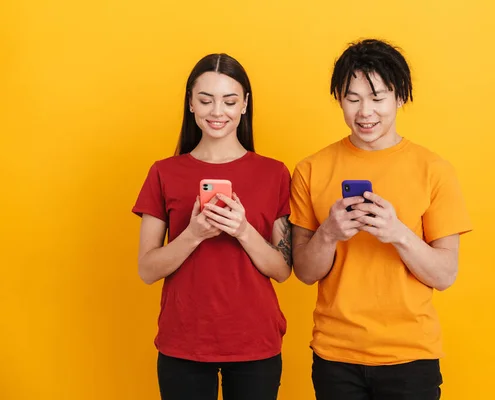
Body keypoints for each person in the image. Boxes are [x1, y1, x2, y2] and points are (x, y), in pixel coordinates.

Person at [289, 39, 473, 400]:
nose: (365, 112)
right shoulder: (311, 170)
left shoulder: (434, 171)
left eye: (377, 98)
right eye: (352, 98)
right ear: (338, 99)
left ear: (400, 97)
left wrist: (398, 233)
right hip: (335, 355)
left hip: (410, 355)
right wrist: (328, 234)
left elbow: (445, 274)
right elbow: (305, 273)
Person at [132, 53, 292, 400]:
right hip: (184, 340)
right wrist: (193, 235)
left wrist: (243, 230)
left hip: (255, 341)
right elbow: (147, 269)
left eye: (229, 101)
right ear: (190, 103)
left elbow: (282, 270)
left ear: (245, 105)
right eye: (205, 100)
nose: (217, 111)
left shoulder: (274, 173)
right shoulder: (164, 172)